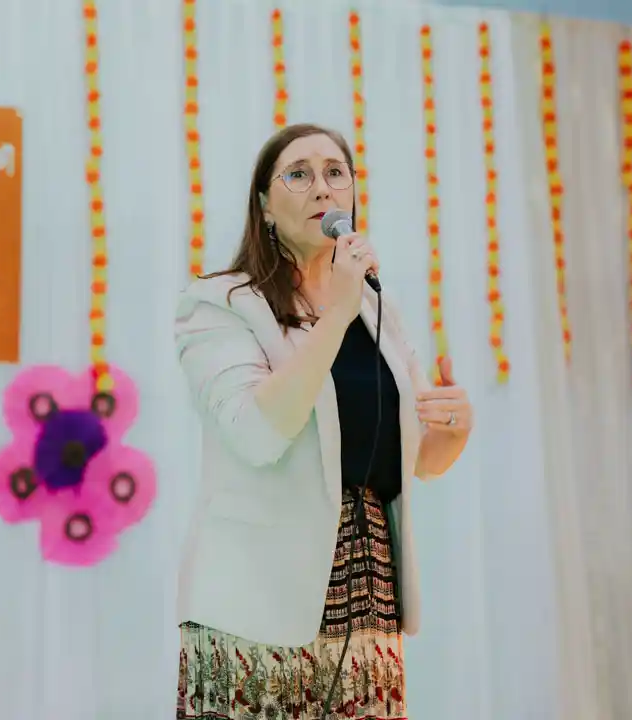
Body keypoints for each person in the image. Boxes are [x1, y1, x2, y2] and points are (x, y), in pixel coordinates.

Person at [173, 123, 473, 719]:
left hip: (368, 595)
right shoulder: (220, 304)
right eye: (299, 174)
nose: (322, 188)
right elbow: (258, 433)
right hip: (256, 605)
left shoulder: (375, 307)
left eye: (336, 173)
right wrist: (334, 316)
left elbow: (418, 461)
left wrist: (453, 430)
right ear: (264, 205)